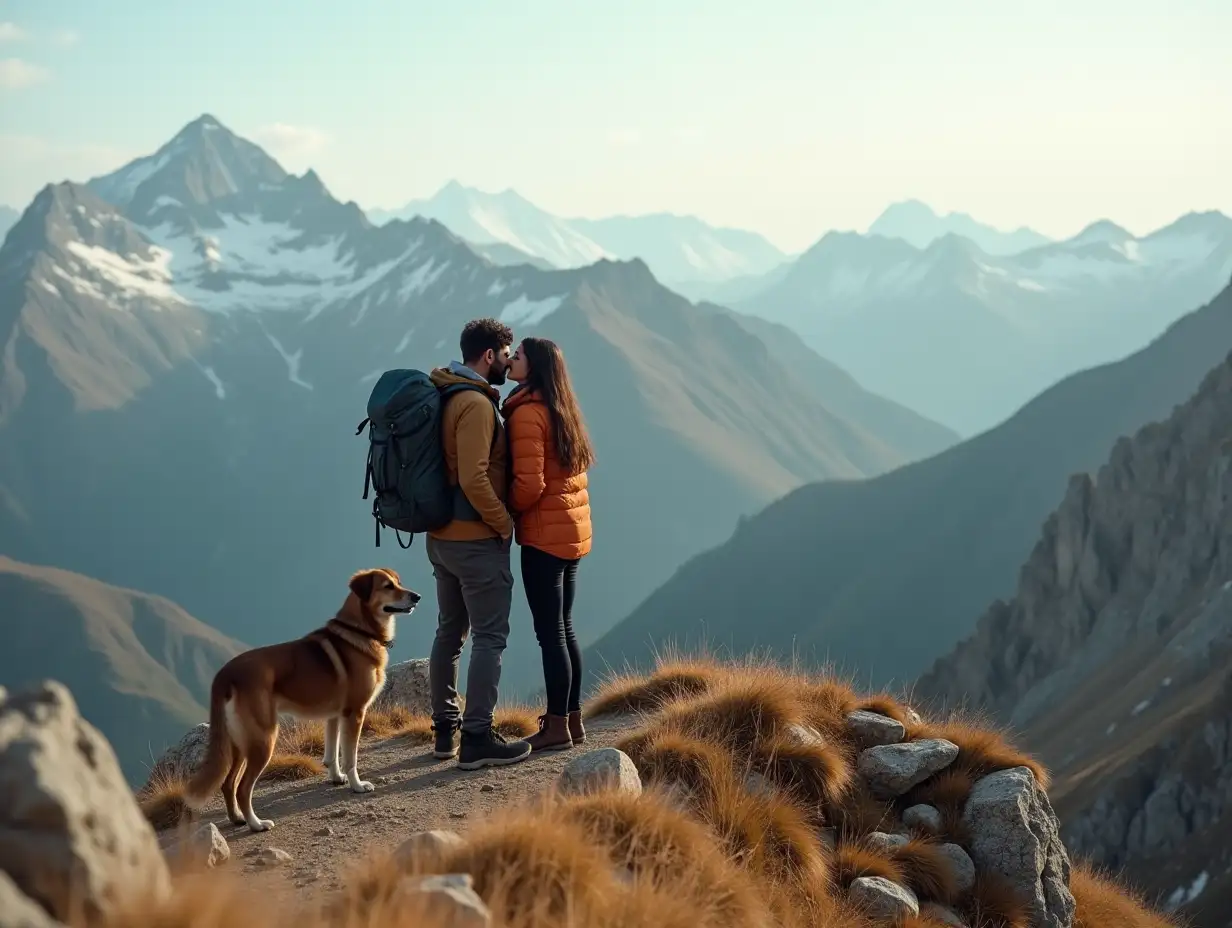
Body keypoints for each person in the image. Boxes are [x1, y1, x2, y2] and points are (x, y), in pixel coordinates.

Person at [426, 318, 532, 770]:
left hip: (442, 537)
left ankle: (445, 732)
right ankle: (476, 738)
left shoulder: (445, 391)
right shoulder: (475, 404)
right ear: (488, 356)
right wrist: (503, 522)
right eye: (506, 354)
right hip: (474, 540)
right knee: (489, 636)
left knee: (450, 633)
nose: (509, 362)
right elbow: (472, 475)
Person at [502, 336, 594, 752]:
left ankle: (556, 726)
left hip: (543, 537)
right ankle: (572, 720)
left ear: (533, 367)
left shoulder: (527, 414)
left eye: (517, 356)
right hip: (572, 534)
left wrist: (505, 510)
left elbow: (530, 485)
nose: (510, 360)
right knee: (565, 628)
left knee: (549, 634)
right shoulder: (564, 410)